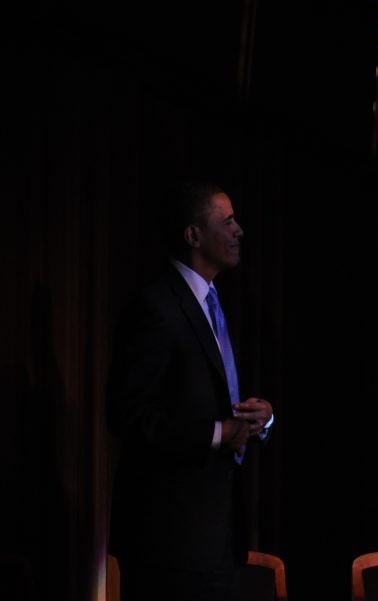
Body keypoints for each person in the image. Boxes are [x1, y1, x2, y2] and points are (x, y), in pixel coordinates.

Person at [106, 180, 274, 601]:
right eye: (228, 221)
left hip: (217, 540)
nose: (240, 231)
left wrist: (261, 418)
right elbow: (126, 415)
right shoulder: (156, 306)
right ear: (193, 235)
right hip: (169, 546)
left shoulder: (212, 303)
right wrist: (220, 433)